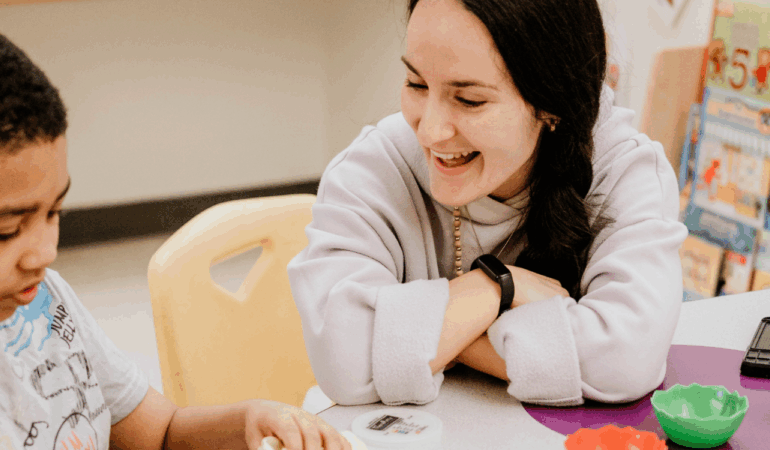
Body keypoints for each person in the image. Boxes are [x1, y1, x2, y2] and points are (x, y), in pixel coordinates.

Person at [0, 17, 349, 450]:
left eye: (54, 213)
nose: (44, 254)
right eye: (6, 230)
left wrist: (251, 421)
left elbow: (159, 433)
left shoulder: (40, 300)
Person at [288, 0, 686, 407]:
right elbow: (347, 363)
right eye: (416, 84)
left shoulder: (624, 168)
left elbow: (625, 360)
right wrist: (494, 286)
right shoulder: (373, 169)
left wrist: (427, 339)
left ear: (551, 104)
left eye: (470, 101)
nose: (430, 131)